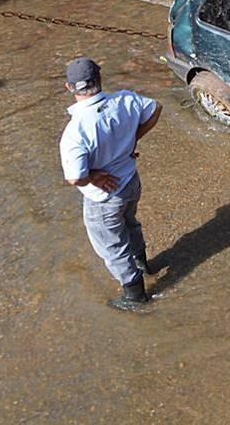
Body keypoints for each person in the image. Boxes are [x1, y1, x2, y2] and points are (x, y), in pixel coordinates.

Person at [59, 57, 162, 311]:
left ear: (69, 87)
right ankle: (142, 263)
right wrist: (131, 142)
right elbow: (156, 108)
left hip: (103, 197)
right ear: (99, 80)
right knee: (130, 223)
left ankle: (134, 294)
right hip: (130, 181)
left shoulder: (75, 131)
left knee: (111, 243)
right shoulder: (125, 100)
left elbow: (75, 177)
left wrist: (94, 176)